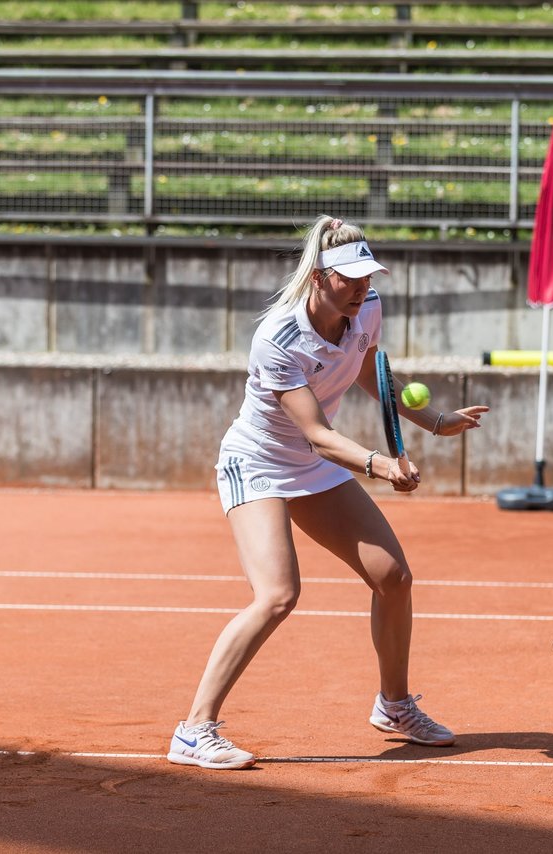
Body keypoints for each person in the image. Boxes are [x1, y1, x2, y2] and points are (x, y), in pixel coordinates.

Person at [167, 215, 490, 770]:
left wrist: (435, 421)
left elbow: (372, 375)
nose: (362, 286)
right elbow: (316, 435)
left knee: (394, 578)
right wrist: (381, 465)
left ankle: (394, 706)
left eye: (368, 275)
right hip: (260, 464)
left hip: (317, 468)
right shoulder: (279, 337)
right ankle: (194, 730)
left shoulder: (366, 308)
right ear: (319, 276)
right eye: (349, 277)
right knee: (277, 595)